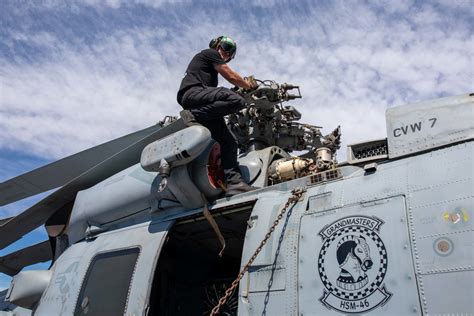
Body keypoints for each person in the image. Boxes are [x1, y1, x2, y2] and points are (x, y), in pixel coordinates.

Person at [177, 36, 256, 197]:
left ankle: (235, 184)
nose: (227, 54)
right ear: (217, 45)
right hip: (192, 94)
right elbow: (231, 76)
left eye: (231, 54)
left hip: (202, 102)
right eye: (226, 47)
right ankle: (193, 115)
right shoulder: (208, 53)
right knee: (236, 100)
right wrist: (248, 84)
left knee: (229, 142)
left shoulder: (210, 71)